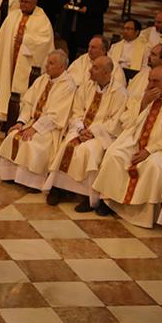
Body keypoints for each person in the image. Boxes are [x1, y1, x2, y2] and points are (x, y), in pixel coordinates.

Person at [93, 66, 162, 227]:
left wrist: (149, 150)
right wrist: (144, 103)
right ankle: (108, 201)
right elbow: (126, 122)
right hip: (135, 143)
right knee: (114, 155)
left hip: (159, 150)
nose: (151, 85)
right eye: (149, 80)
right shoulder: (142, 98)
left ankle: (144, 214)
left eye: (156, 81)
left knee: (153, 166)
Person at [44, 56, 127, 210]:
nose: (90, 70)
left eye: (95, 68)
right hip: (80, 129)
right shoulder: (86, 86)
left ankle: (88, 196)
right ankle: (58, 187)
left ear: (106, 73)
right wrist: (81, 129)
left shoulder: (119, 93)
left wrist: (93, 132)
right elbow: (76, 111)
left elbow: (115, 122)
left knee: (89, 151)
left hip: (102, 136)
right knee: (67, 145)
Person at [0, 50, 77, 190]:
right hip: (32, 122)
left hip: (50, 129)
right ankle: (11, 175)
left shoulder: (68, 86)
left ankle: (31, 182)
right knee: (13, 136)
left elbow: (56, 116)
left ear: (62, 67)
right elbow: (28, 103)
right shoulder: (43, 79)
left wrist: (35, 129)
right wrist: (21, 122)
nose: (47, 66)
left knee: (32, 143)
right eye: (47, 62)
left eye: (51, 63)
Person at [0, 0, 56, 122]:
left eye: (27, 2)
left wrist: (26, 40)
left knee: (23, 91)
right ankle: (5, 116)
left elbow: (45, 41)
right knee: (7, 85)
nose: (23, 5)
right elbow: (2, 38)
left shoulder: (42, 19)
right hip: (10, 60)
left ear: (35, 3)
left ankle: (19, 118)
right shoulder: (13, 16)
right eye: (22, 1)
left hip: (27, 63)